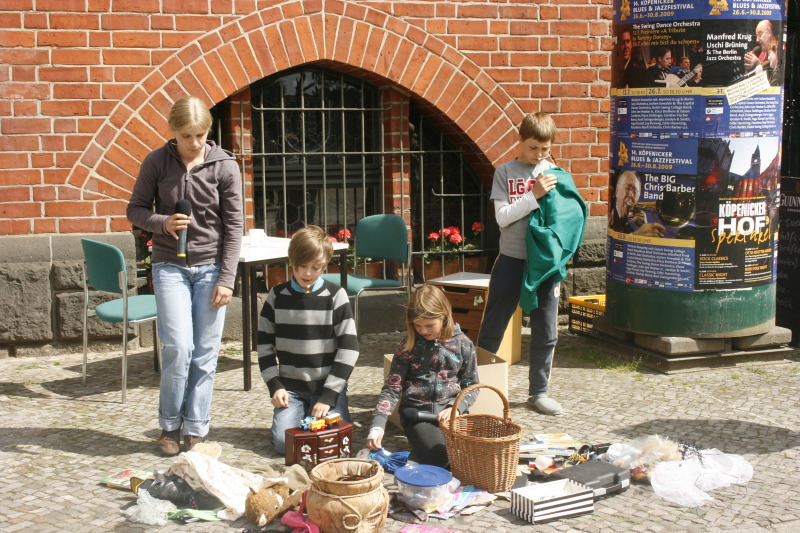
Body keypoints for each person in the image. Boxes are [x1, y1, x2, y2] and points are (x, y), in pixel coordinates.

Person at [127, 95, 243, 455]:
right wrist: (162, 222)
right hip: (169, 267)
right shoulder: (157, 161)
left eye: (200, 134)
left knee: (206, 353)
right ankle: (169, 426)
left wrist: (227, 278)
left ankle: (196, 427)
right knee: (179, 347)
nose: (193, 143)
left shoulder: (224, 165)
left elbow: (235, 226)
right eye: (185, 135)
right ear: (172, 131)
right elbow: (135, 210)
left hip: (211, 269)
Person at [475, 112, 563, 416]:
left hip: (545, 266)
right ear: (520, 140)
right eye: (532, 147)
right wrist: (533, 194)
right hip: (511, 260)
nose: (539, 155)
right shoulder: (505, 172)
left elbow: (564, 219)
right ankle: (476, 388)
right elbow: (502, 218)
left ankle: (538, 392)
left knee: (546, 330)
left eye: (545, 148)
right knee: (494, 324)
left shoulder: (554, 171)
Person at [258, 225, 359, 455]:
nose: (307, 273)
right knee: (286, 445)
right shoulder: (276, 296)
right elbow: (264, 346)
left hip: (326, 387)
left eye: (316, 268)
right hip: (290, 389)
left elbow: (349, 348)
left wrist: (329, 395)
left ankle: (313, 412)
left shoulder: (336, 295)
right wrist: (275, 386)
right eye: (302, 266)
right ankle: (299, 414)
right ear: (292, 262)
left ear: (324, 265)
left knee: (333, 444)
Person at [366, 285, 478, 469]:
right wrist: (378, 425)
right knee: (441, 458)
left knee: (471, 456)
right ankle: (394, 459)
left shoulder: (463, 344)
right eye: (417, 325)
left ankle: (417, 459)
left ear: (444, 316)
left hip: (452, 415)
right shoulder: (407, 346)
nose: (423, 331)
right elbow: (392, 387)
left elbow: (472, 385)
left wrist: (456, 408)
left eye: (429, 325)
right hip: (418, 414)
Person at [609, 170, 666, 237]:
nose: (631, 195)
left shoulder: (628, 227)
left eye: (635, 192)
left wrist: (643, 226)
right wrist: (635, 234)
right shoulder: (610, 217)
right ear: (616, 191)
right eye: (627, 188)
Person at [743, 20, 782, 86]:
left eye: (760, 34)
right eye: (756, 36)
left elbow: (772, 84)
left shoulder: (778, 52)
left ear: (769, 32)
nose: (757, 40)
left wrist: (757, 64)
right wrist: (749, 71)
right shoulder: (759, 53)